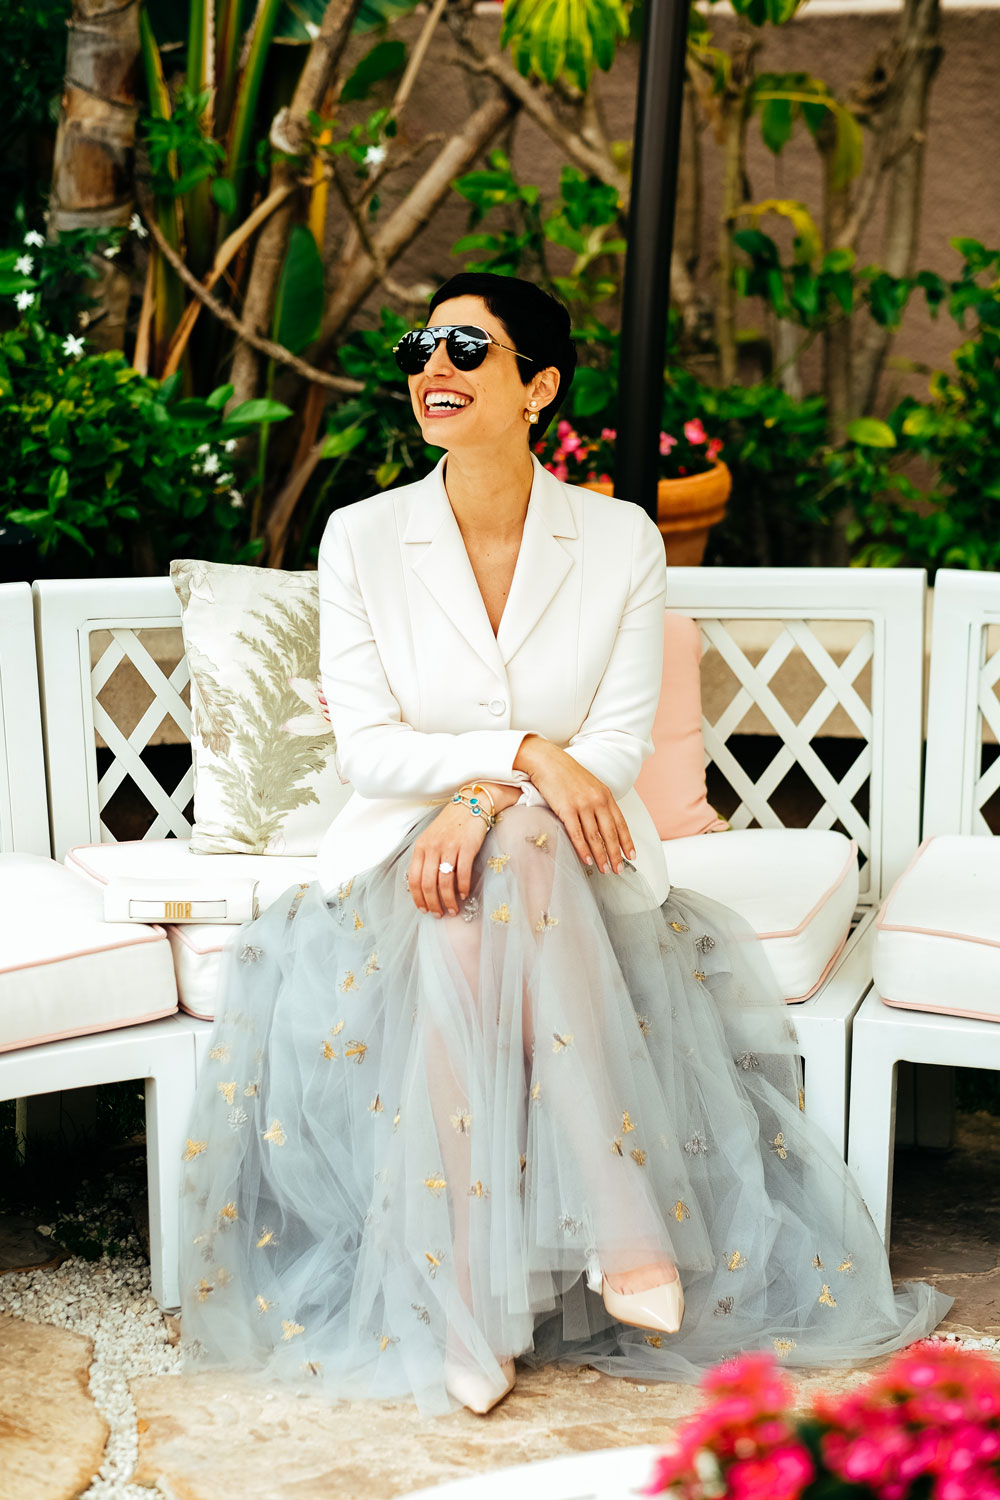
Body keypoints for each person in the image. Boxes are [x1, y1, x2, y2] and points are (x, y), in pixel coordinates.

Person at [179, 272, 949, 1417]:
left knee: (514, 863)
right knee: (469, 897)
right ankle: (621, 1220)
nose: (432, 368)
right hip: (402, 855)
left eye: (465, 349)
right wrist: (523, 757)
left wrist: (489, 797)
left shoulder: (619, 537)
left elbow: (618, 741)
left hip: (570, 861)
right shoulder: (361, 538)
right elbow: (370, 752)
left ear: (537, 387)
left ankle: (468, 1300)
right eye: (419, 348)